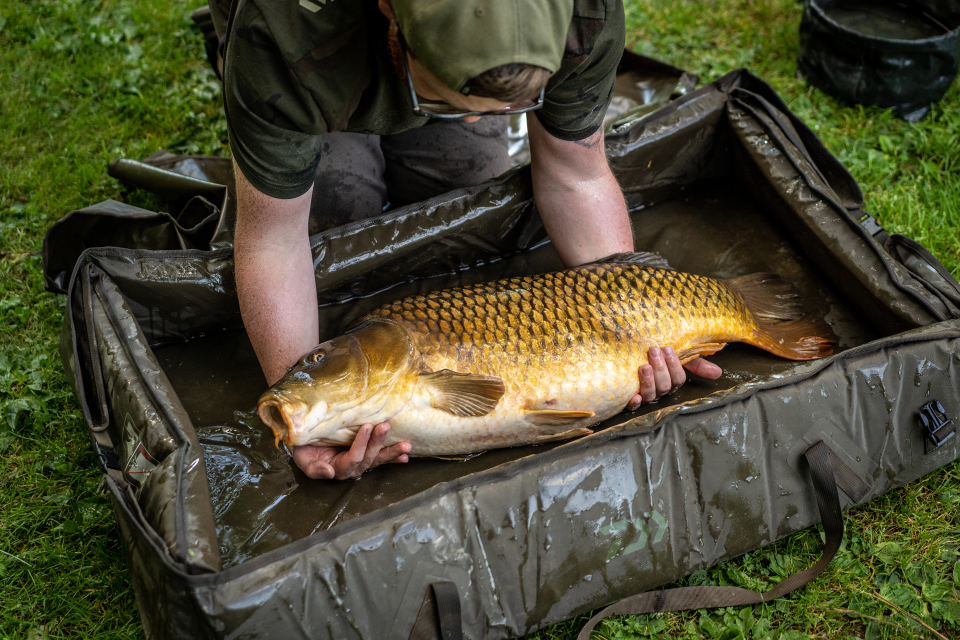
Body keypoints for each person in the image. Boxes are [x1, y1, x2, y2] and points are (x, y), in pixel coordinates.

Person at [210, 0, 722, 480]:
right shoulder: (283, 30)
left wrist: (642, 319)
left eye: (513, 106)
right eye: (443, 100)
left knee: (465, 183)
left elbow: (577, 174)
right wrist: (306, 405)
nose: (479, 120)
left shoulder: (584, 15)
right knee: (342, 216)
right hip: (322, 46)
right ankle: (359, 92)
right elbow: (273, 242)